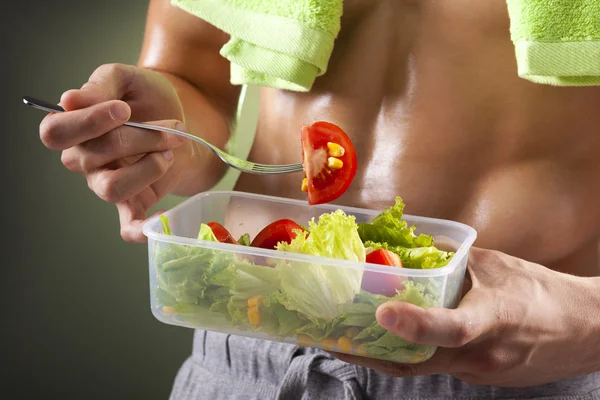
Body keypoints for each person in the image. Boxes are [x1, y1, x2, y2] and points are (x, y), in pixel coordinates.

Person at [37, 0, 600, 398]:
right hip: (253, 357)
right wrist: (160, 135)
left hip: (532, 379)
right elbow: (194, 76)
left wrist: (590, 325)